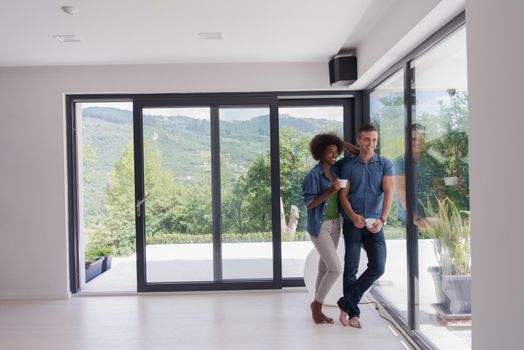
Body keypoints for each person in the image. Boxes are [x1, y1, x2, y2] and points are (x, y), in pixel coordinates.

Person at [336, 125, 394, 328]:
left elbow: (388, 193)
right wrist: (352, 216)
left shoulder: (385, 164)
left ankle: (345, 303)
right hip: (353, 223)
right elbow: (343, 196)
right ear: (359, 140)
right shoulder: (348, 166)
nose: (371, 144)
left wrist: (383, 220)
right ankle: (353, 314)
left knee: (378, 266)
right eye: (367, 139)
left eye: (374, 140)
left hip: (375, 224)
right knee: (350, 267)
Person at [302, 133, 358, 324]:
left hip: (336, 224)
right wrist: (330, 191)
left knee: (324, 267)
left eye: (336, 152)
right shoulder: (313, 175)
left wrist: (340, 142)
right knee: (335, 269)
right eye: (330, 152)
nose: (334, 155)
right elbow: (310, 204)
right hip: (320, 226)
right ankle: (316, 305)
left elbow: (356, 153)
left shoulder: (337, 170)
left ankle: (318, 309)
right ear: (320, 153)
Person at [393, 124, 445, 227]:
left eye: (421, 138)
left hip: (431, 219)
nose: (418, 142)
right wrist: (416, 220)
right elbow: (401, 193)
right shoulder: (399, 162)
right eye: (413, 139)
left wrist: (441, 214)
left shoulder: (432, 162)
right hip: (408, 222)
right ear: (406, 140)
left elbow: (438, 189)